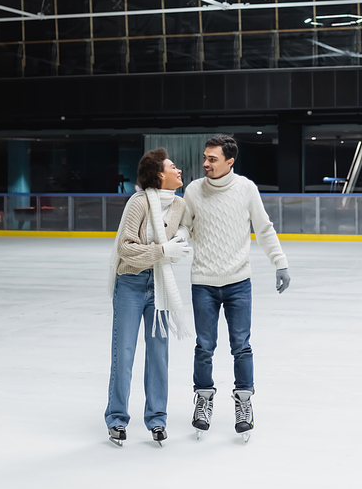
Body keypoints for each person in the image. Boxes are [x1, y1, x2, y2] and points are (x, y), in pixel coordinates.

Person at [180, 135, 291, 440]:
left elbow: (264, 227)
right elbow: (184, 226)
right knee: (204, 346)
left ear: (230, 162)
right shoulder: (193, 191)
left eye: (212, 159)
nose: (206, 163)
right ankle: (203, 400)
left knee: (241, 346)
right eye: (205, 157)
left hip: (238, 282)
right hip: (203, 281)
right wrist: (176, 240)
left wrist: (279, 262)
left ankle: (244, 403)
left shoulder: (246, 189)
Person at [104, 148, 191, 447]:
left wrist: (182, 237)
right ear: (158, 175)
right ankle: (116, 419)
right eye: (172, 166)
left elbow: (185, 227)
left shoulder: (179, 204)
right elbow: (125, 247)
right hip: (130, 281)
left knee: (158, 355)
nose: (178, 170)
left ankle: (157, 420)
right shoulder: (138, 202)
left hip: (160, 285)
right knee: (124, 352)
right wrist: (163, 251)